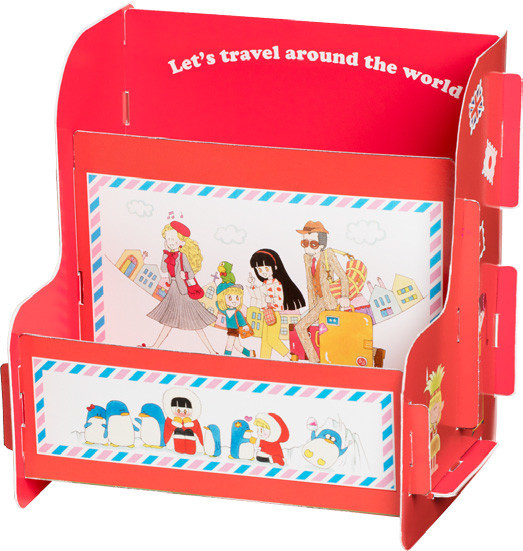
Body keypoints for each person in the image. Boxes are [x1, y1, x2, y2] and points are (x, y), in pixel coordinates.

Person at [147, 221, 217, 353]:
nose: (170, 242)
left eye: (173, 239)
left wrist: (185, 275)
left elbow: (190, 272)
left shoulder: (182, 256)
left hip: (184, 290)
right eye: (168, 239)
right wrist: (165, 252)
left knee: (196, 322)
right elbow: (163, 269)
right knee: (168, 320)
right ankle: (155, 346)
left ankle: (212, 351)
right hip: (173, 289)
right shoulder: (168, 254)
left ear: (181, 242)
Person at [295, 221, 350, 363]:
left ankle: (315, 361)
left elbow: (343, 277)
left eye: (312, 244)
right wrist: (311, 306)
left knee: (300, 327)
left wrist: (345, 297)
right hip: (318, 303)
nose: (307, 247)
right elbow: (310, 284)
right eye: (304, 243)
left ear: (321, 245)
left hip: (329, 301)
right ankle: (320, 360)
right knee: (323, 332)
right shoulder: (307, 258)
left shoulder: (328, 255)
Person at [248, 249, 305, 360]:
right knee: (265, 340)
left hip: (274, 315)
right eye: (259, 269)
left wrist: (270, 301)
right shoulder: (265, 283)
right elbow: (258, 293)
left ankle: (290, 356)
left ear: (274, 267)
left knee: (272, 339)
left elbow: (279, 302)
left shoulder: (277, 284)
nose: (263, 272)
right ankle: (264, 360)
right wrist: (252, 285)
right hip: (266, 314)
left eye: (266, 268)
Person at [216, 282, 256, 357]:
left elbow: (241, 320)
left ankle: (226, 357)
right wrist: (218, 300)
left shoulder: (237, 312)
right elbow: (218, 306)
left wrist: (244, 325)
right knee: (237, 346)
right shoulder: (226, 311)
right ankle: (250, 353)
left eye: (237, 298)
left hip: (234, 330)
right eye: (230, 298)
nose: (234, 301)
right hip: (230, 330)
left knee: (229, 345)